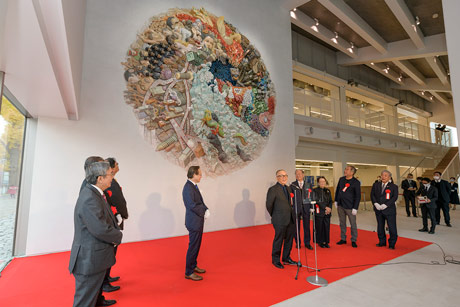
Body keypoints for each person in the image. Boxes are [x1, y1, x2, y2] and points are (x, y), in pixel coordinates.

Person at [69, 161, 122, 307]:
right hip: (89, 259)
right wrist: (118, 236)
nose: (112, 177)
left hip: (94, 257)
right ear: (100, 178)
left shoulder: (94, 193)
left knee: (92, 297)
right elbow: (99, 229)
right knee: (84, 302)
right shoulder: (89, 198)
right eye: (110, 174)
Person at [102, 158, 129, 292]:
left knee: (113, 251)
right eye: (117, 164)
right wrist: (117, 215)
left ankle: (107, 276)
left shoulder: (113, 180)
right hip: (113, 220)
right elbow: (111, 201)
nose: (118, 165)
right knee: (109, 251)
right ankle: (104, 282)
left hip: (116, 219)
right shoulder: (108, 183)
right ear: (111, 167)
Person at [183, 166, 209, 281]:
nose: (201, 176)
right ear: (193, 174)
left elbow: (200, 202)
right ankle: (189, 272)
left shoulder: (193, 186)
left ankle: (193, 266)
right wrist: (204, 211)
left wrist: (206, 208)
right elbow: (192, 205)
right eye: (199, 174)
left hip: (197, 220)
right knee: (193, 246)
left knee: (196, 245)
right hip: (194, 221)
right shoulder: (188, 188)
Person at [266, 169, 295, 269]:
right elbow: (269, 205)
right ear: (277, 178)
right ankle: (276, 260)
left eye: (285, 175)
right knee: (279, 240)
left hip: (290, 218)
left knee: (289, 240)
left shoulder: (289, 188)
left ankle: (286, 257)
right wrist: (275, 215)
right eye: (281, 176)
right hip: (279, 219)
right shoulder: (273, 189)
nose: (284, 178)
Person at [371, 170, 399, 249]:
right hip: (378, 209)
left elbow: (394, 197)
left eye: (385, 175)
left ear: (389, 177)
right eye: (382, 175)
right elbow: (372, 195)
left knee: (391, 227)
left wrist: (386, 205)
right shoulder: (376, 185)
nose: (383, 177)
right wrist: (375, 203)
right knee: (380, 226)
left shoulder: (394, 186)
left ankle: (392, 243)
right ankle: (382, 242)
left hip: (389, 210)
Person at [335, 165, 361, 248]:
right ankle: (343, 238)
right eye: (345, 169)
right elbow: (338, 190)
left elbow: (358, 196)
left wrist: (355, 208)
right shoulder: (341, 179)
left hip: (350, 207)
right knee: (342, 223)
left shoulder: (356, 182)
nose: (345, 170)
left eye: (347, 169)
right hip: (341, 205)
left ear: (352, 172)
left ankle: (353, 240)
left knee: (353, 224)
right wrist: (336, 200)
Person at [290, 169, 313, 250]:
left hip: (306, 208)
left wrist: (311, 207)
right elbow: (291, 197)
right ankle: (298, 243)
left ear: (303, 175)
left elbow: (311, 196)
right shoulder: (292, 185)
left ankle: (307, 243)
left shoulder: (308, 184)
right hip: (296, 208)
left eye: (299, 174)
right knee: (296, 227)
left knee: (307, 226)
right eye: (296, 174)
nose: (298, 175)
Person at [312, 177, 332, 248]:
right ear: (318, 183)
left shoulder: (328, 191)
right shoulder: (315, 190)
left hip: (327, 212)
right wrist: (325, 207)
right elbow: (317, 201)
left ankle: (326, 242)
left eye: (324, 181)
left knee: (326, 227)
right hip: (319, 212)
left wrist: (329, 208)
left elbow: (330, 201)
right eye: (321, 182)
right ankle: (320, 242)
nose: (322, 183)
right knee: (319, 227)